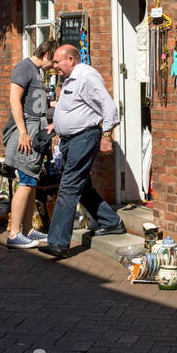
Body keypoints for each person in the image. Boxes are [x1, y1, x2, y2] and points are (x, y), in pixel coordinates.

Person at [42, 44, 126, 257]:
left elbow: (109, 108)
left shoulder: (86, 76)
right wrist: (57, 125)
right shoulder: (70, 78)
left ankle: (59, 242)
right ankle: (112, 221)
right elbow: (73, 107)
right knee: (82, 185)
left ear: (71, 59)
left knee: (68, 186)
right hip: (70, 140)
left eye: (58, 61)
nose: (54, 66)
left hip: (84, 137)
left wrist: (106, 136)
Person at [3, 39, 58, 249]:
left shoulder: (37, 72)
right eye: (52, 61)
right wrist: (23, 133)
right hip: (26, 133)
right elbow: (14, 100)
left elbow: (37, 104)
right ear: (45, 55)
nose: (54, 66)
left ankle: (26, 229)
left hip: (36, 132)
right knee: (26, 180)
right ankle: (14, 233)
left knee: (32, 181)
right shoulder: (24, 68)